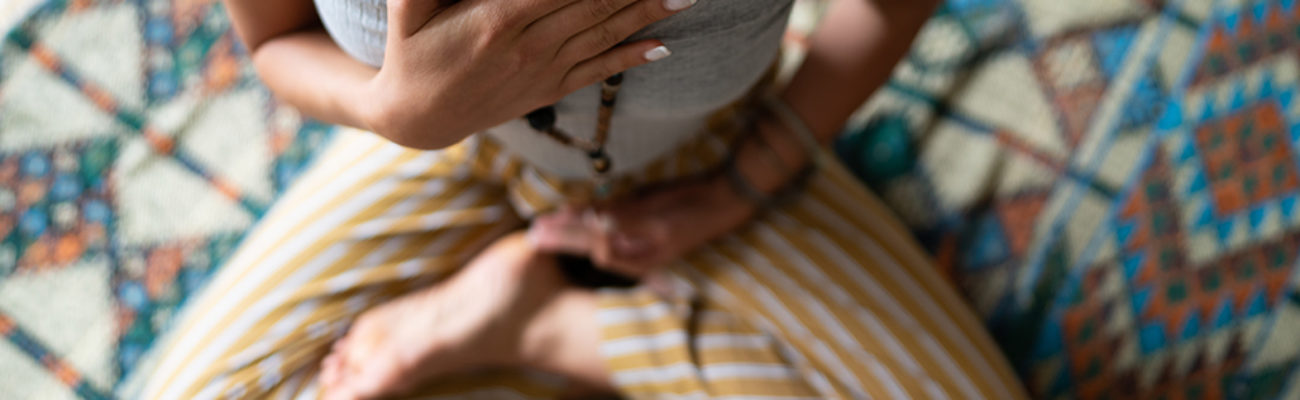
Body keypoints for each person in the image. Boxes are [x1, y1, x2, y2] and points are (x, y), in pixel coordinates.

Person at [140, 0, 1030, 398]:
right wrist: (394, 110)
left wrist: (743, 186)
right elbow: (276, 41)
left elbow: (891, 6)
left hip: (704, 158)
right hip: (447, 150)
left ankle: (546, 331)